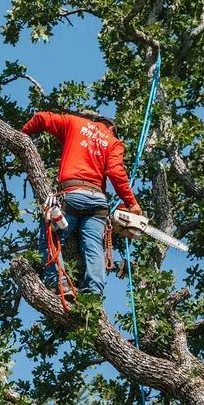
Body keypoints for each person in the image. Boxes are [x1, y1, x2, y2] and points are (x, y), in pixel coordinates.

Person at [21, 109, 142, 296]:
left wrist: (22, 135)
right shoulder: (114, 142)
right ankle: (94, 292)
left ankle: (58, 282)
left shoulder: (75, 123)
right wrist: (131, 203)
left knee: (50, 236)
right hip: (98, 202)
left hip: (73, 195)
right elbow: (116, 172)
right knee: (93, 247)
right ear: (112, 128)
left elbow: (42, 118)